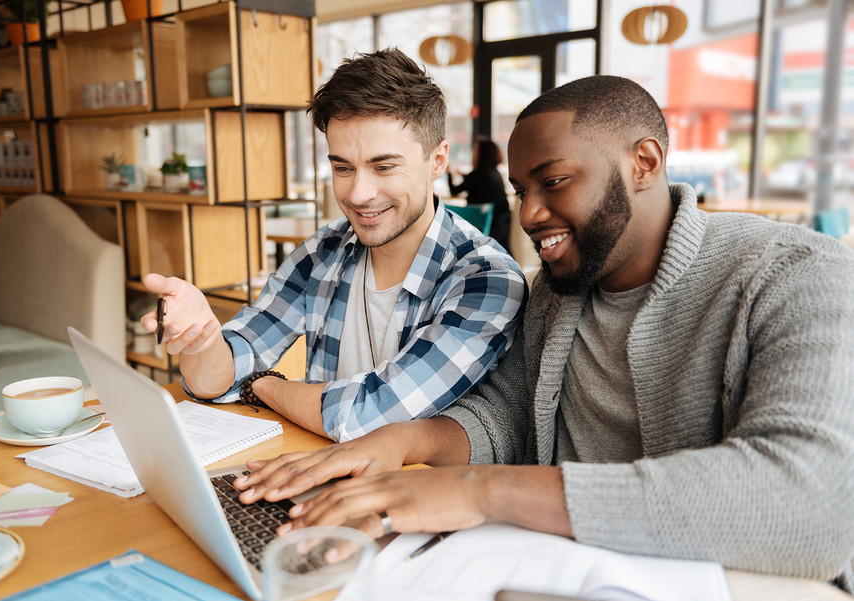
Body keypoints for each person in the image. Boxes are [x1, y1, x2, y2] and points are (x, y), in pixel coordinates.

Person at [231, 75, 854, 589]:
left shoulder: (800, 275)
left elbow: (811, 505)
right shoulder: (556, 291)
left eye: (553, 182)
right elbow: (507, 418)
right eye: (520, 190)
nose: (528, 215)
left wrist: (480, 490)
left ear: (644, 161)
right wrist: (402, 441)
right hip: (557, 566)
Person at [141, 48, 527, 443]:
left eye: (383, 166)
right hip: (319, 474)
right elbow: (219, 376)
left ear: (438, 160)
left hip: (421, 493)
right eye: (342, 167)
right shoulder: (323, 251)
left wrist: (264, 385)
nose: (358, 194)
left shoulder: (487, 280)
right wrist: (204, 342)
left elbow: (369, 415)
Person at [447, 137, 512, 254]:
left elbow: (455, 190)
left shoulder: (478, 174)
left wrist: (449, 173)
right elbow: (475, 181)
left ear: (482, 153)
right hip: (503, 219)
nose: (473, 153)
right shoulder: (494, 173)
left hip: (487, 223)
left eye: (475, 150)